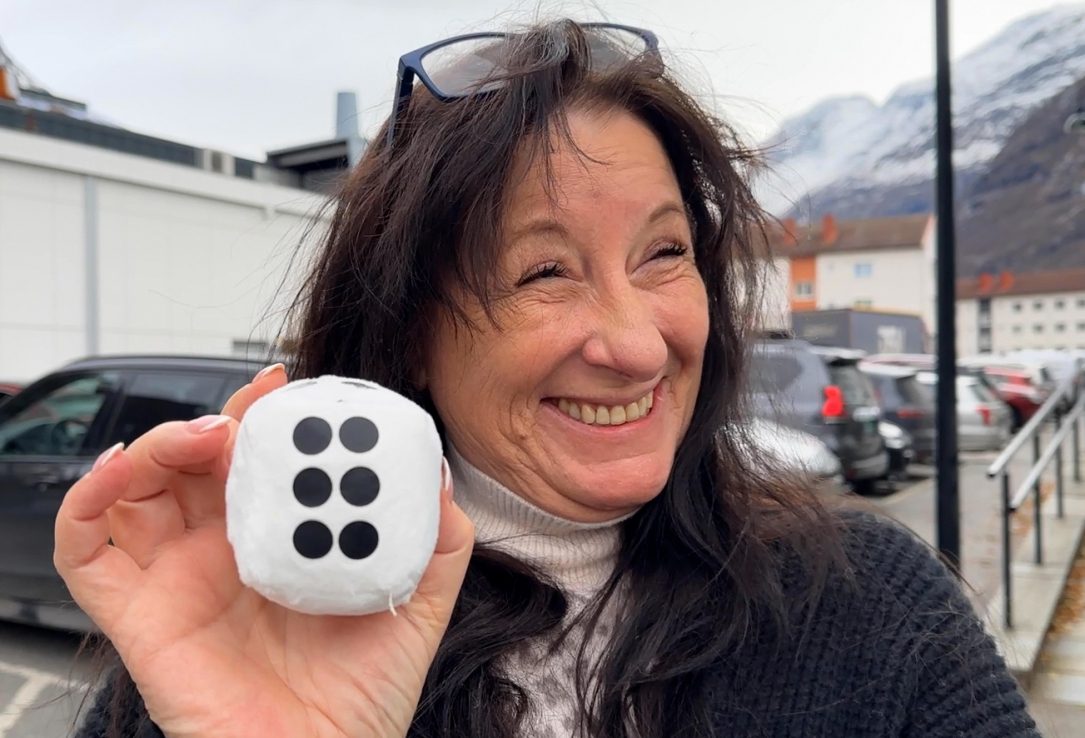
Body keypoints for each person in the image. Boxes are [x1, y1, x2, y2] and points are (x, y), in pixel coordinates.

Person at [57, 19, 1039, 738]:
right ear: (407, 334)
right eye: (544, 272)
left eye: (663, 253)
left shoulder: (868, 608)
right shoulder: (252, 641)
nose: (637, 346)